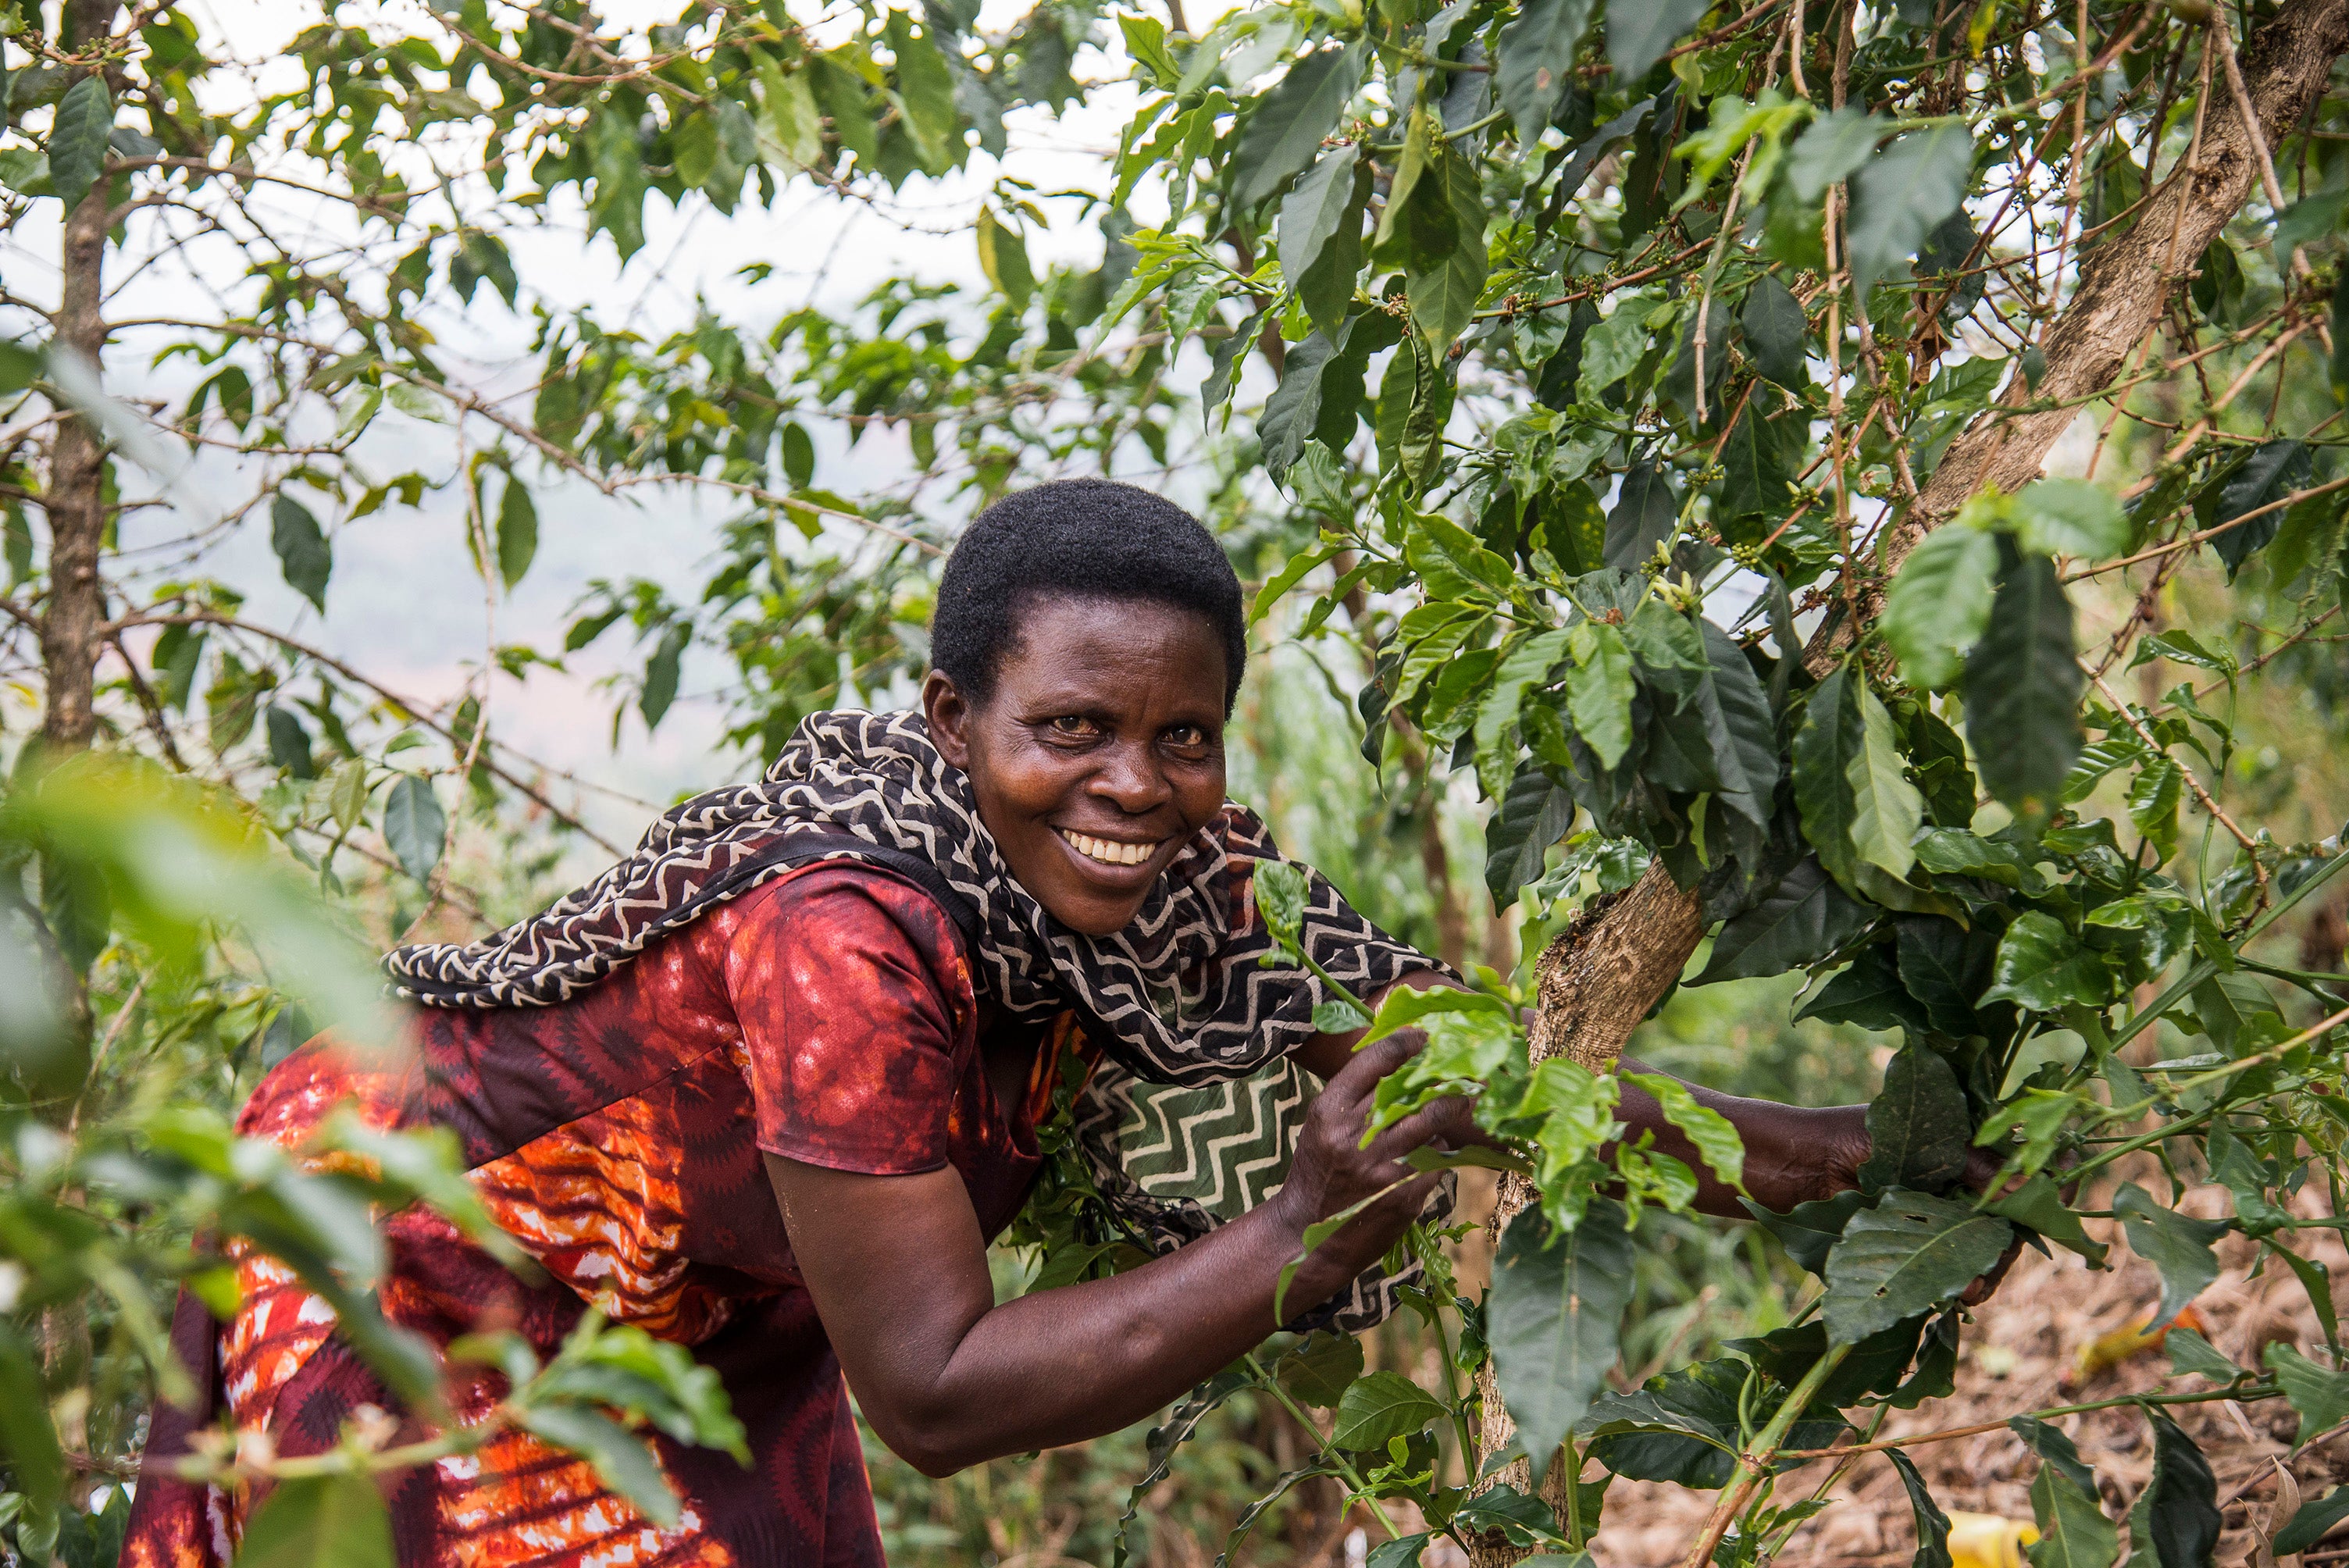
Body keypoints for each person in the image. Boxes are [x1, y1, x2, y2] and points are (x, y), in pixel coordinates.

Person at [125, 479, 1881, 1568]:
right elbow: (938, 1389)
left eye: (1182, 734)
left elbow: (1468, 1070)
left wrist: (1854, 1162)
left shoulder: (1185, 876)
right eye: (1072, 726)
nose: (1134, 781)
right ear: (956, 716)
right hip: (414, 1251)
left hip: (718, 1298)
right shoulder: (847, 935)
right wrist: (1306, 1225)